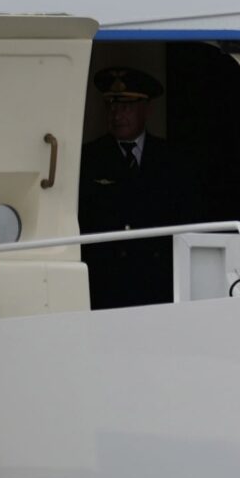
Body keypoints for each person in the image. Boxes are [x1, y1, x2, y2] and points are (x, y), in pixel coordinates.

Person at [79, 65, 194, 308]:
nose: (117, 115)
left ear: (146, 109)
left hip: (158, 284)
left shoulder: (172, 158)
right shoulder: (88, 158)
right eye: (111, 106)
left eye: (126, 107)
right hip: (106, 284)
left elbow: (186, 220)